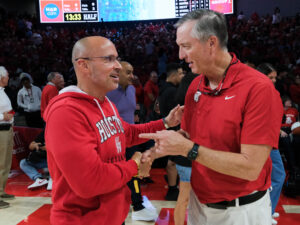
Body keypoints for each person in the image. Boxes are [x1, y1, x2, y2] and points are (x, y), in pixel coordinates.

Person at [140, 9, 283, 225]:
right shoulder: (195, 85)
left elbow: (250, 167)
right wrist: (156, 150)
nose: (180, 56)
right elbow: (187, 136)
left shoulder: (258, 88)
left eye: (186, 46)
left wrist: (189, 149)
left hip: (241, 212)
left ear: (211, 43)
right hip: (199, 205)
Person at [43, 36, 183, 225]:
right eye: (108, 59)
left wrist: (166, 122)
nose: (118, 65)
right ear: (84, 65)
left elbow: (127, 134)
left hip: (113, 216)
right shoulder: (66, 112)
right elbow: (89, 181)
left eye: (116, 58)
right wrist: (134, 166)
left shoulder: (105, 102)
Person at [107, 61, 158, 221]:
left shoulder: (131, 89)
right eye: (128, 72)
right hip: (113, 139)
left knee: (133, 171)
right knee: (121, 173)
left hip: (130, 136)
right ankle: (135, 205)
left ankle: (137, 206)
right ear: (117, 72)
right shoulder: (107, 91)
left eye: (132, 72)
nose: (132, 76)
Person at [257, 62, 286, 225]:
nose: (274, 80)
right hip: (265, 142)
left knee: (268, 177)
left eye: (275, 77)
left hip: (268, 140)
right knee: (278, 175)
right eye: (271, 77)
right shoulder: (262, 93)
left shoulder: (269, 91)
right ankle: (266, 212)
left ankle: (267, 210)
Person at [158, 63, 185, 201]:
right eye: (180, 74)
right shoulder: (172, 91)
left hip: (167, 128)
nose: (182, 77)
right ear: (173, 75)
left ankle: (172, 186)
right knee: (173, 161)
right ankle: (172, 189)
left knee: (171, 160)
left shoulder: (164, 88)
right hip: (173, 129)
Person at [0, 66, 15, 209]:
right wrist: (2, 117)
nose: (8, 78)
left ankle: (1, 191)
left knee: (5, 164)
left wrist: (8, 118)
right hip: (0, 131)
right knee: (0, 164)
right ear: (1, 78)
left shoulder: (2, 92)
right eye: (7, 76)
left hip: (7, 130)